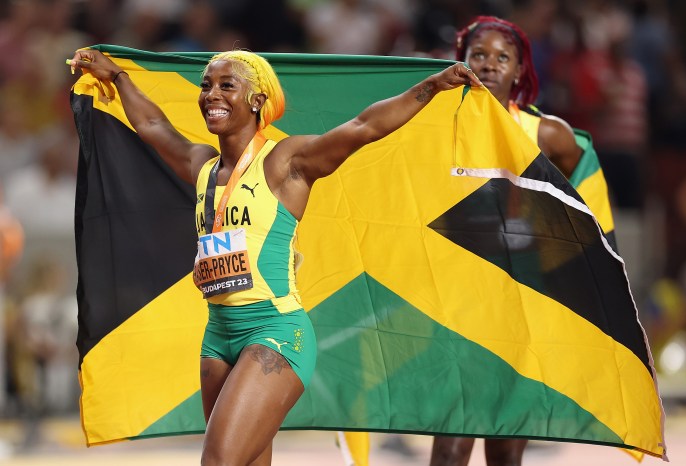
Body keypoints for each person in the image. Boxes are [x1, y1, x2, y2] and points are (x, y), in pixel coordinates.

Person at [68, 48, 481, 466]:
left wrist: (431, 86)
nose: (212, 94)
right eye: (207, 85)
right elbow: (153, 124)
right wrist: (117, 76)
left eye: (227, 86)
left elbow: (363, 127)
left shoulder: (286, 162)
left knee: (218, 461)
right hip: (217, 338)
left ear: (257, 101)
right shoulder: (202, 167)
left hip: (275, 332)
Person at [430, 15, 585, 466]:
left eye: (503, 57)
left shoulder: (548, 134)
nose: (491, 65)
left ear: (520, 70)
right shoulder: (439, 127)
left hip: (521, 299)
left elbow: (580, 186)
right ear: (462, 62)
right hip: (457, 298)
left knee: (505, 446)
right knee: (452, 444)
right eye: (479, 55)